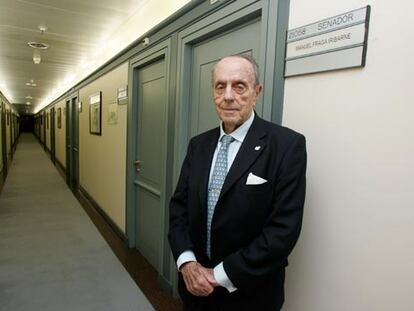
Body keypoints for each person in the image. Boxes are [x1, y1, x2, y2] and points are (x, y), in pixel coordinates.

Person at [168, 55, 307, 310]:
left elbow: (282, 232)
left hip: (251, 294)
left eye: (239, 86)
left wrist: (218, 275)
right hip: (196, 290)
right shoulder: (198, 145)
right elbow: (179, 208)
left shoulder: (287, 146)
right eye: (220, 86)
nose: (228, 96)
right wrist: (187, 262)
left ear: (257, 92)